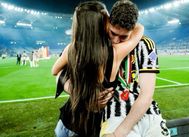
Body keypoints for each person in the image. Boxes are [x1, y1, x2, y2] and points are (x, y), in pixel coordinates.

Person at [51, 1, 144, 137]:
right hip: (88, 129)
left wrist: (71, 88)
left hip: (65, 123)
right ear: (102, 24)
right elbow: (139, 28)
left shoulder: (71, 49)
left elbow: (54, 71)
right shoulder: (116, 52)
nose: (117, 40)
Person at [100, 1, 170, 137]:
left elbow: (146, 95)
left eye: (123, 37)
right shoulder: (100, 42)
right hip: (115, 112)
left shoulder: (147, 45)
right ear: (108, 23)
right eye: (113, 33)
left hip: (148, 113)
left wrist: (117, 134)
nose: (115, 40)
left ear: (133, 30)